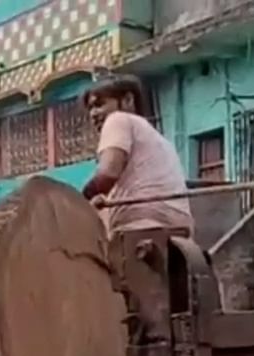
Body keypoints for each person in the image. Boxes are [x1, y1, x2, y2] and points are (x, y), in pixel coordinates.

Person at [82, 74, 193, 235]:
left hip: (140, 226)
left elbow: (107, 174)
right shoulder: (158, 138)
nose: (93, 114)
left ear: (128, 100)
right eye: (90, 109)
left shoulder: (117, 120)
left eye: (99, 105)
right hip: (179, 228)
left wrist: (78, 200)